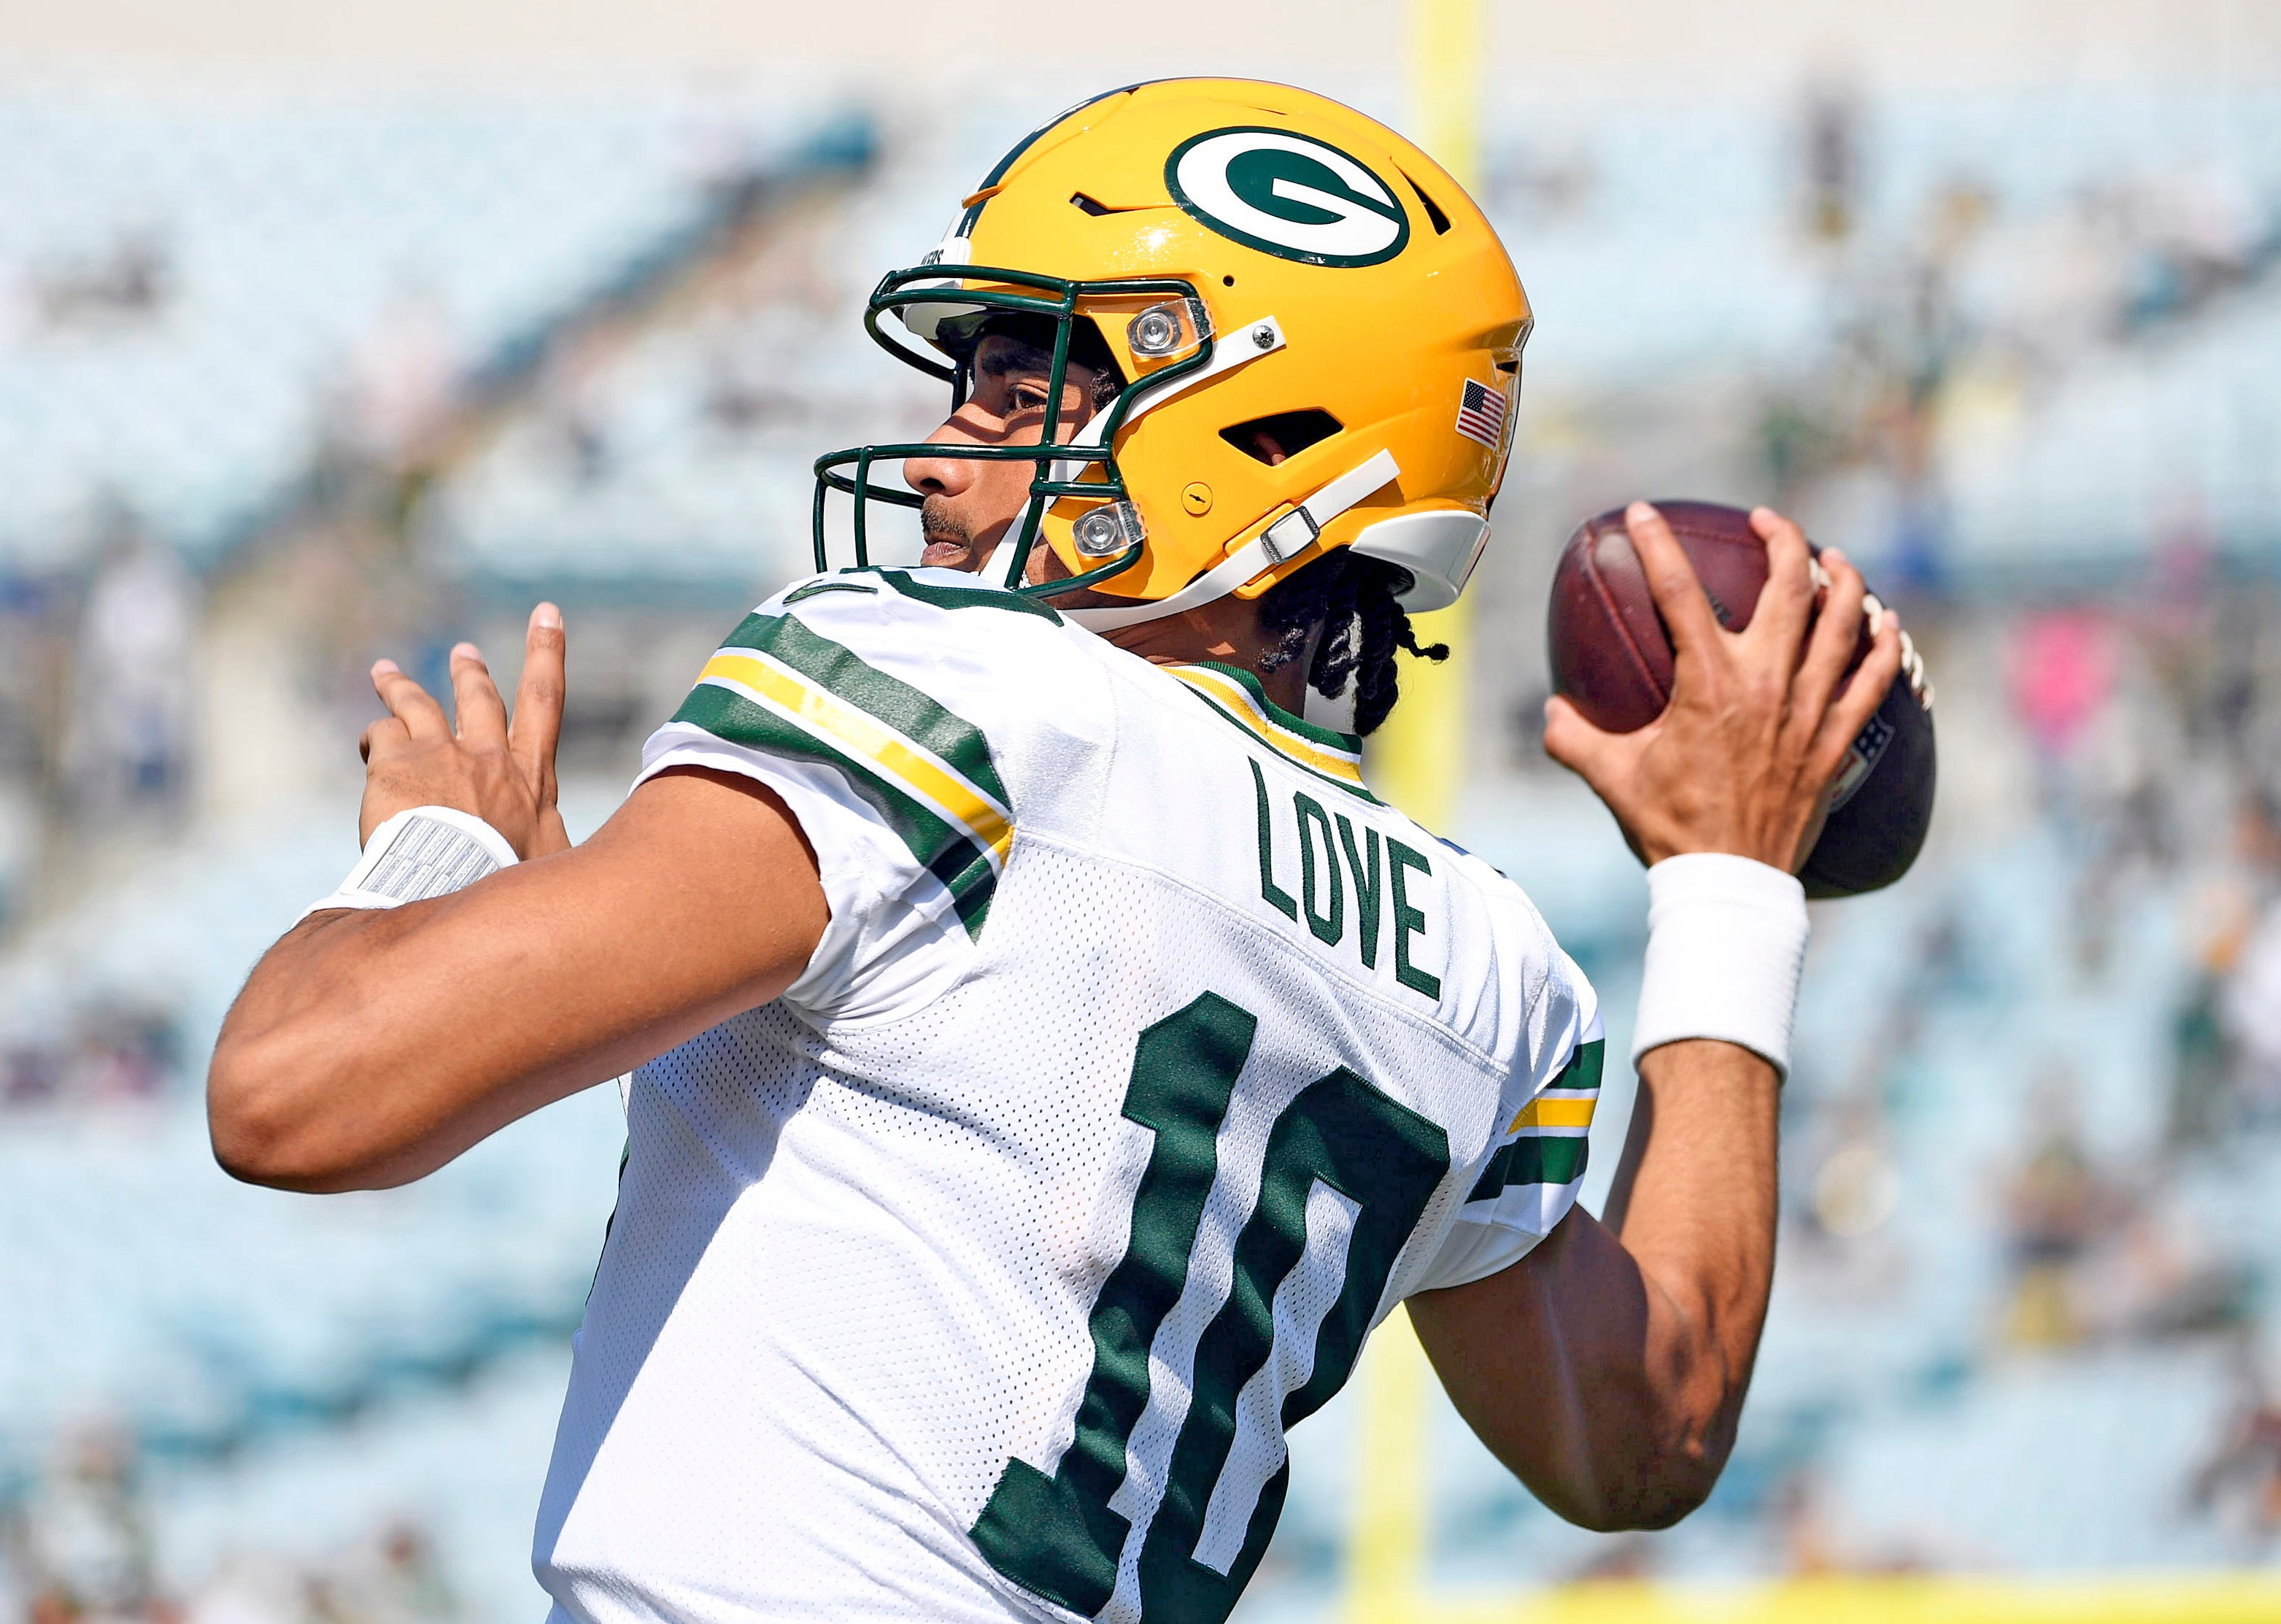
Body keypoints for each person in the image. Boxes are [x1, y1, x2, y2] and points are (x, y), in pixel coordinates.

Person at [208, 81, 1901, 1624]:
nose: (947, 460)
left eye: (1021, 393)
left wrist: (432, 855)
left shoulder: (961, 700)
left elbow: (297, 1095)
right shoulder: (1482, 958)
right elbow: (1647, 1433)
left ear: (1265, 437)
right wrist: (1731, 884)